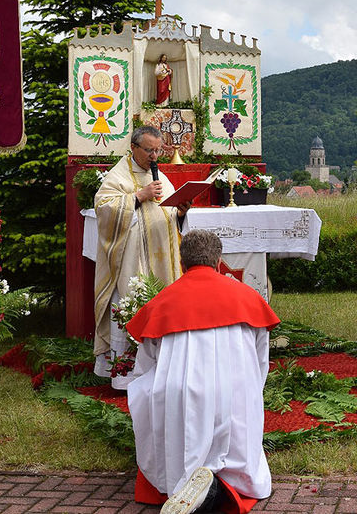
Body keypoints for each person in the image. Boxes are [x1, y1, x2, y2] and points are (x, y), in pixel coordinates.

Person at [126, 230, 280, 514]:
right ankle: (228, 483)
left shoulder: (162, 302)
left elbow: (145, 367)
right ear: (219, 261)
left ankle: (187, 483)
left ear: (182, 263)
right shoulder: (247, 297)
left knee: (150, 391)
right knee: (241, 395)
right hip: (235, 393)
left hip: (180, 398)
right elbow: (260, 359)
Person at [93, 126, 189, 377]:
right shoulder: (119, 175)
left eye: (158, 150)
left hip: (161, 261)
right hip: (131, 264)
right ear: (134, 148)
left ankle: (161, 369)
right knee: (132, 304)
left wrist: (179, 212)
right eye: (149, 150)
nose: (155, 156)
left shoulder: (159, 175)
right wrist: (137, 197)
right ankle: (126, 374)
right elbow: (103, 208)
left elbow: (166, 211)